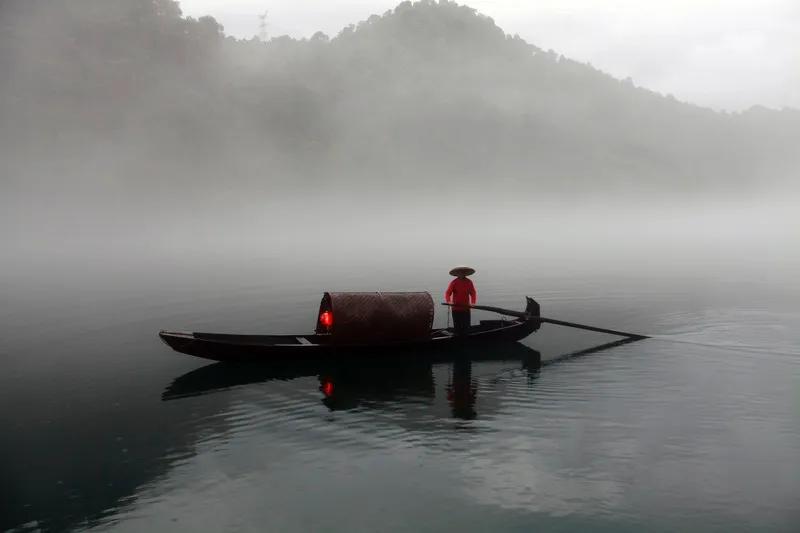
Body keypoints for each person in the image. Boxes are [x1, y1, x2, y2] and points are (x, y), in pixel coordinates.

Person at [445, 266, 477, 334]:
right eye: (459, 272)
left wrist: (473, 302)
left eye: (463, 272)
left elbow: (473, 293)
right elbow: (448, 293)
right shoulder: (454, 282)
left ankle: (466, 340)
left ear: (465, 273)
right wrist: (449, 301)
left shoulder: (469, 282)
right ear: (457, 274)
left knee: (466, 327)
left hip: (466, 308)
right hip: (456, 308)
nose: (461, 273)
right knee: (457, 327)